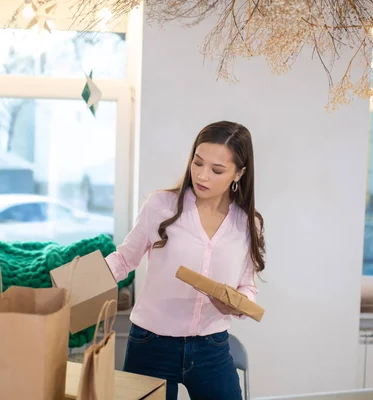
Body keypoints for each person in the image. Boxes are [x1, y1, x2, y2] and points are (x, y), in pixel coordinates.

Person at [105, 120, 265, 400]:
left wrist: (236, 304)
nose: (202, 176)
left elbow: (248, 286)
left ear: (239, 173)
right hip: (150, 344)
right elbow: (123, 259)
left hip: (212, 348)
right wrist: (79, 282)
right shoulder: (160, 206)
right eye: (198, 163)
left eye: (217, 170)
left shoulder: (248, 224)